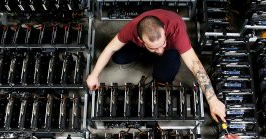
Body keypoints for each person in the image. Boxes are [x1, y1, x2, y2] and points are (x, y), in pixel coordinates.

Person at [86, 9, 226, 122]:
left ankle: (169, 54)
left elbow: (195, 65)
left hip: (171, 50)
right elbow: (110, 48)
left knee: (163, 76)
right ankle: (146, 52)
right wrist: (94, 74)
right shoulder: (132, 29)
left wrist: (212, 99)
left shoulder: (176, 30)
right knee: (118, 57)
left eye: (161, 44)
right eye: (154, 48)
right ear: (141, 39)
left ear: (164, 32)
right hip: (142, 47)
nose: (159, 50)